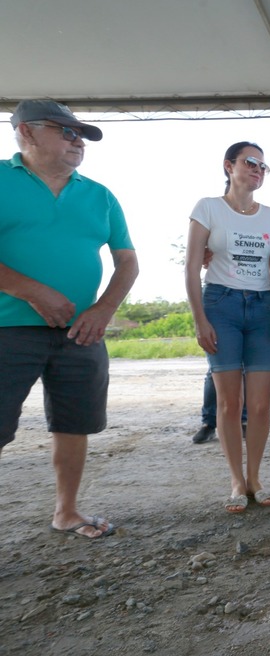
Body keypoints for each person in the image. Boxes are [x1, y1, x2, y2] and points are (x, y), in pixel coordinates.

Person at [1, 99, 139, 538]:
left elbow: (128, 262)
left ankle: (67, 511)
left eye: (80, 134)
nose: (77, 141)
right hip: (7, 330)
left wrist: (103, 309)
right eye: (66, 132)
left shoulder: (99, 195)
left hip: (81, 332)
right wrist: (31, 289)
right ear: (26, 132)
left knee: (73, 423)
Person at [185, 141, 270, 512]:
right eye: (250, 162)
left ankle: (255, 477)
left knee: (258, 405)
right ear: (229, 166)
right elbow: (193, 267)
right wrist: (199, 319)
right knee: (229, 402)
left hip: (261, 308)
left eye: (263, 166)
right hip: (220, 305)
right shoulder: (207, 208)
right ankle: (236, 482)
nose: (257, 169)